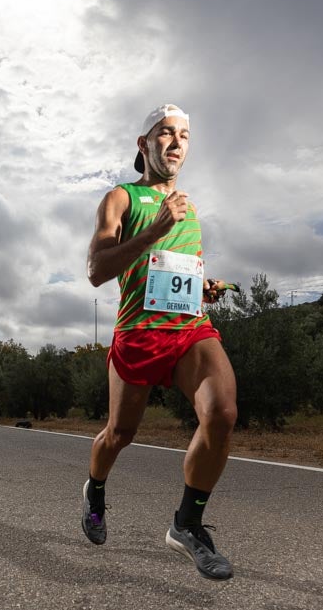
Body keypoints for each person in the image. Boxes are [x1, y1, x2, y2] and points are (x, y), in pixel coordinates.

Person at [81, 104, 238, 580]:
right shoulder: (121, 199)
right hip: (138, 334)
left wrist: (202, 286)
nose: (176, 143)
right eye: (165, 133)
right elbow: (97, 271)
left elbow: (173, 268)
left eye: (184, 135)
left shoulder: (189, 208)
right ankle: (95, 490)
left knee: (223, 413)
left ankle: (187, 525)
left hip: (189, 329)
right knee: (120, 435)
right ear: (143, 144)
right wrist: (157, 227)